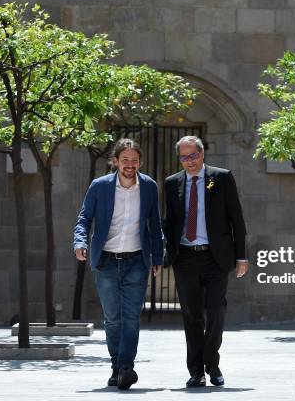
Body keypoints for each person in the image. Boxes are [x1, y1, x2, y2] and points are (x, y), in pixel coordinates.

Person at [73, 138, 163, 390]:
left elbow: (155, 226)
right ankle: (117, 366)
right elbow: (84, 219)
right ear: (115, 162)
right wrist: (80, 242)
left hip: (137, 260)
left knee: (131, 316)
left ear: (140, 162)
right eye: (125, 160)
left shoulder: (148, 187)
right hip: (107, 261)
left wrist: (158, 257)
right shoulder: (99, 186)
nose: (130, 165)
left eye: (135, 160)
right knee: (112, 318)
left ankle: (126, 366)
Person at [164, 135, 248, 387]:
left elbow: (237, 219)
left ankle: (212, 363)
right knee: (191, 316)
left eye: (193, 156)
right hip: (186, 256)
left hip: (215, 256)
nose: (189, 161)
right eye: (184, 157)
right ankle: (196, 371)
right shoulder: (172, 183)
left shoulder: (221, 178)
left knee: (215, 311)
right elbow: (169, 222)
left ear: (202, 154)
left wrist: (241, 255)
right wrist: (167, 251)